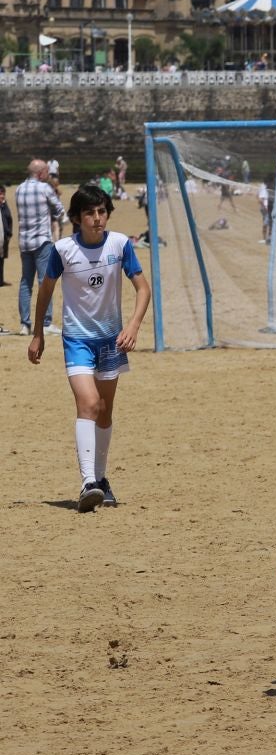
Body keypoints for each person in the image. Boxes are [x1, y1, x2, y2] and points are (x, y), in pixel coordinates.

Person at [26, 184, 152, 511]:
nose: (97, 219)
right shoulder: (63, 250)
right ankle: (87, 483)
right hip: (77, 340)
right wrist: (38, 333)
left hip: (111, 340)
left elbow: (143, 288)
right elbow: (45, 291)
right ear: (77, 218)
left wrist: (133, 326)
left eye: (101, 212)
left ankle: (100, 478)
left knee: (106, 411)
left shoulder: (121, 244)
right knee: (89, 403)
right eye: (89, 213)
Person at [15, 159, 62, 333]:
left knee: (25, 282)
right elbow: (59, 209)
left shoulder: (19, 189)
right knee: (45, 281)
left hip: (24, 241)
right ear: (41, 173)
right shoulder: (44, 188)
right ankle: (46, 322)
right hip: (42, 240)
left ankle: (25, 324)